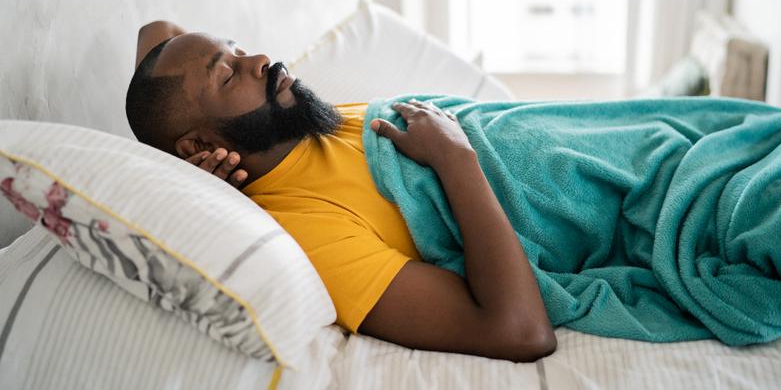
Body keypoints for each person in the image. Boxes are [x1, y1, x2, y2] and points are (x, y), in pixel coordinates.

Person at [126, 21, 557, 362]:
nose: (260, 60)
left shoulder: (300, 127)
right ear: (198, 145)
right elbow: (519, 332)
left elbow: (158, 31)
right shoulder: (306, 229)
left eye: (239, 50)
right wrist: (455, 157)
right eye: (228, 75)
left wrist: (188, 157)